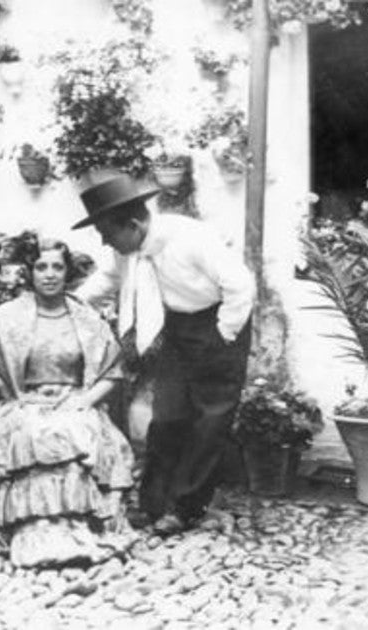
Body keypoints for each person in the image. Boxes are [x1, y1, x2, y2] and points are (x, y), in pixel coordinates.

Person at [72, 172, 256, 535]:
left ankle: (187, 507)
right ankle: (153, 504)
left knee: (209, 421)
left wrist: (223, 334)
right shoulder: (127, 250)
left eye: (108, 233)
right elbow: (105, 282)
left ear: (135, 224)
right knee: (167, 416)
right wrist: (66, 304)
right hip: (175, 328)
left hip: (217, 324)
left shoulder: (190, 238)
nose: (106, 241)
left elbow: (240, 285)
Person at [0, 239, 137, 568]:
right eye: (41, 267)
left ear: (68, 272)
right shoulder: (5, 317)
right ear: (29, 273)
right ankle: (36, 532)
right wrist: (1, 385)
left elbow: (113, 370)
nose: (49, 274)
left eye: (57, 267)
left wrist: (85, 401)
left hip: (74, 400)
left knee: (76, 431)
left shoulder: (87, 319)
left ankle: (78, 530)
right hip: (25, 400)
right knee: (33, 433)